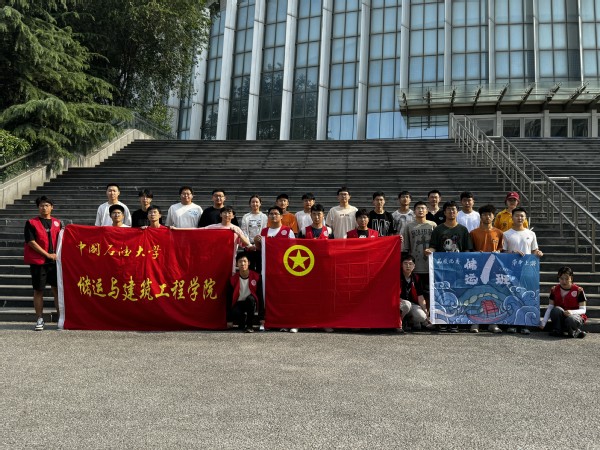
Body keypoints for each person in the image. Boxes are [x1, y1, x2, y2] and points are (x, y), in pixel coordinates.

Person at [425, 201, 473, 332]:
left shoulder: (463, 230)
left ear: (457, 212)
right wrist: (429, 251)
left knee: (458, 294)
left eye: (453, 210)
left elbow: (467, 249)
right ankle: (442, 321)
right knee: (443, 294)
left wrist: (465, 266)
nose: (451, 212)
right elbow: (433, 247)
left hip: (458, 269)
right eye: (449, 210)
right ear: (444, 212)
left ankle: (454, 322)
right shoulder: (438, 229)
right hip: (442, 269)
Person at [254, 206, 296, 332]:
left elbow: (293, 250)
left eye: (276, 214)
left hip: (283, 269)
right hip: (267, 269)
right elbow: (259, 249)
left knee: (283, 296)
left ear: (281, 216)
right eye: (271, 214)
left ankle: (284, 322)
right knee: (266, 295)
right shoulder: (264, 231)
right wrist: (256, 242)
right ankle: (265, 321)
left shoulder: (288, 231)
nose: (273, 216)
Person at [502, 207, 542, 335]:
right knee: (512, 295)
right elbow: (502, 253)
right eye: (517, 215)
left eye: (522, 216)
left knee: (526, 296)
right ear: (512, 217)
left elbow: (534, 251)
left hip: (527, 270)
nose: (519, 218)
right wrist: (512, 253)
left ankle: (525, 324)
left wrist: (538, 253)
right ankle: (511, 323)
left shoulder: (531, 234)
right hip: (511, 270)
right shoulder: (506, 234)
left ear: (525, 218)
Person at [24, 196, 62, 331]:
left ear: (52, 207)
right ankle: (39, 319)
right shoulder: (31, 223)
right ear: (38, 207)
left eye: (46, 205)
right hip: (38, 262)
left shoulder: (57, 223)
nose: (44, 208)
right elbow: (31, 242)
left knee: (57, 290)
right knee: (38, 290)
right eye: (41, 205)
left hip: (55, 262)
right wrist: (47, 254)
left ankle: (61, 318)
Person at [469, 204, 504, 334]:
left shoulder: (499, 233)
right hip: (477, 269)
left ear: (493, 216)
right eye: (484, 214)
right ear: (480, 216)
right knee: (476, 294)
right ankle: (475, 322)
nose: (487, 217)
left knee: (494, 294)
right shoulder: (473, 233)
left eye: (489, 214)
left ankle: (493, 323)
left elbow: (502, 250)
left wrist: (498, 252)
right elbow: (469, 251)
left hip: (494, 270)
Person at [402, 201, 436, 303]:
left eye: (423, 208)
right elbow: (406, 247)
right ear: (414, 211)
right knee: (417, 291)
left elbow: (436, 245)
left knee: (430, 291)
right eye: (418, 208)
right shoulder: (409, 226)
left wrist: (432, 250)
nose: (420, 210)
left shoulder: (432, 225)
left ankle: (429, 311)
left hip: (430, 265)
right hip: (415, 266)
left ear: (427, 211)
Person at [540, 266, 587, 339]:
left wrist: (571, 312)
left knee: (571, 319)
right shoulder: (554, 290)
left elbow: (583, 310)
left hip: (574, 317)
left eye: (567, 279)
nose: (564, 281)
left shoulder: (579, 290)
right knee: (555, 310)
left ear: (571, 278)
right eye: (561, 278)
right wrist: (543, 322)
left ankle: (574, 331)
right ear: (558, 278)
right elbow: (550, 307)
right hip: (561, 316)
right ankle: (557, 330)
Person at [227, 254, 265, 333]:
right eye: (240, 262)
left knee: (250, 299)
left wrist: (261, 317)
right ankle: (242, 320)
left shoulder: (257, 277)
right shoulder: (233, 279)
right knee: (236, 312)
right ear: (237, 264)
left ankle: (249, 325)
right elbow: (229, 299)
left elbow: (260, 297)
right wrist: (229, 320)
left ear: (249, 263)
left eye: (245, 261)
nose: (242, 264)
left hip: (251, 302)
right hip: (239, 303)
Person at [205, 206, 251, 271]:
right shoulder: (213, 227)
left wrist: (239, 234)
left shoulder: (236, 229)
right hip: (215, 259)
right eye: (224, 212)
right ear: (220, 214)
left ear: (233, 216)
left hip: (230, 260)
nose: (227, 215)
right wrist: (188, 230)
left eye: (229, 213)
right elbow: (198, 231)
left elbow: (247, 243)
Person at [399, 255, 430, 332]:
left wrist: (425, 311)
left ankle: (408, 321)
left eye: (410, 264)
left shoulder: (416, 278)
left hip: (412, 303)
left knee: (422, 316)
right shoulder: (397, 276)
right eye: (405, 263)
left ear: (414, 266)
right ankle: (398, 322)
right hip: (399, 303)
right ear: (401, 265)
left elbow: (420, 296)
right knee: (406, 305)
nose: (408, 266)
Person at [240, 194, 268, 272]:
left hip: (260, 246)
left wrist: (257, 245)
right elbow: (244, 231)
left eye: (256, 202)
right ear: (250, 203)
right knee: (249, 268)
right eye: (253, 202)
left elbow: (264, 230)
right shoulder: (246, 216)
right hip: (249, 246)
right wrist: (249, 245)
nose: (255, 204)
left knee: (260, 268)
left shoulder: (264, 216)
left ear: (260, 203)